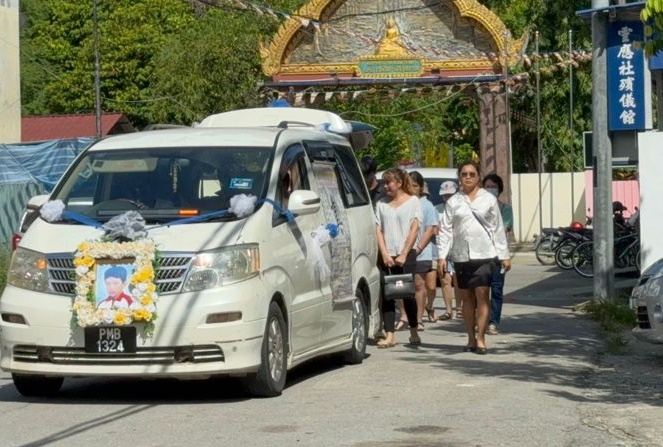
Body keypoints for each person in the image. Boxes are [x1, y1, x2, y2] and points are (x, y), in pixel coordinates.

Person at [436, 161, 511, 355]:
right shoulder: (454, 201)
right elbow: (445, 230)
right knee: (467, 298)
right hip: (461, 255)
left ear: (478, 177)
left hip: (484, 254)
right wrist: (442, 256)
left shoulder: (488, 199)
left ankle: (481, 338)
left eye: (471, 174)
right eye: (464, 174)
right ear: (459, 177)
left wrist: (504, 255)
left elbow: (497, 228)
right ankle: (470, 336)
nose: (467, 177)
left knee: (482, 294)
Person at [375, 168, 422, 348]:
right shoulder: (381, 204)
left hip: (406, 255)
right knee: (388, 294)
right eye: (384, 183)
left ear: (400, 183)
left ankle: (414, 331)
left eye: (389, 182)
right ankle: (390, 335)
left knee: (407, 294)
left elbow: (414, 228)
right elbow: (378, 229)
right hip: (387, 255)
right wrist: (385, 253)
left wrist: (404, 253)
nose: (386, 186)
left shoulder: (413, 202)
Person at [396, 172, 439, 330]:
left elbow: (429, 230)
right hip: (401, 251)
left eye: (415, 186)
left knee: (419, 285)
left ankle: (419, 318)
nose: (412, 188)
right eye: (409, 185)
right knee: (400, 285)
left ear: (421, 188)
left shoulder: (426, 205)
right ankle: (404, 315)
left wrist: (418, 248)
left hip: (422, 252)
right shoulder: (401, 203)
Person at [482, 173, 514, 336]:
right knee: (480, 290)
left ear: (499, 189)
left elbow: (505, 228)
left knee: (496, 289)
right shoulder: (477, 208)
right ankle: (481, 320)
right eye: (487, 186)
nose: (490, 189)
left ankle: (493, 322)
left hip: (498, 256)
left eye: (493, 187)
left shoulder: (505, 209)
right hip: (480, 255)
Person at [437, 180, 459, 321]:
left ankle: (461, 308)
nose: (447, 198)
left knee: (459, 282)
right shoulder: (437, 209)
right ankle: (448, 310)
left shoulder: (462, 207)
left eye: (450, 195)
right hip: (443, 251)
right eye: (445, 195)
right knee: (445, 281)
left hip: (459, 250)